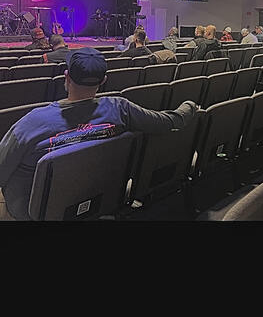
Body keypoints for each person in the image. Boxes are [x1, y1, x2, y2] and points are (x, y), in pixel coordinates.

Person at [0, 47, 197, 221]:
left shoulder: (32, 123)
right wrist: (190, 105)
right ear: (103, 80)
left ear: (67, 77)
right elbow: (169, 122)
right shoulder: (121, 109)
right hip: (100, 200)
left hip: (32, 213)